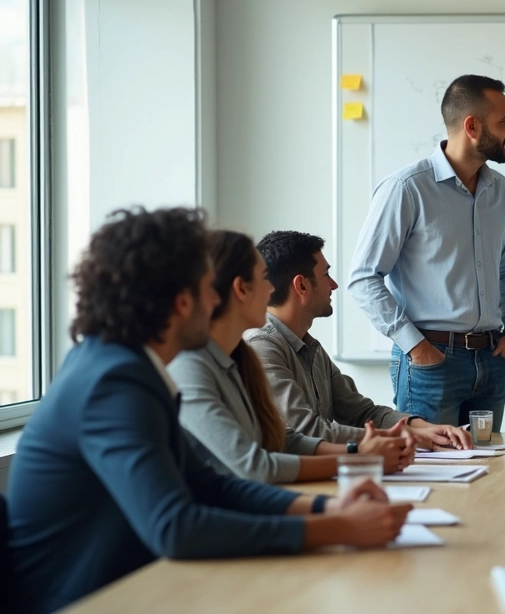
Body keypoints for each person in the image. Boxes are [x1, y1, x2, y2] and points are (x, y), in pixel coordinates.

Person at [6, 208, 412, 614]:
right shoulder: (114, 384)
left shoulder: (127, 367)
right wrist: (335, 528)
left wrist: (329, 507)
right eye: (207, 288)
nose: (217, 299)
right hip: (90, 599)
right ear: (182, 302)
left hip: (137, 584)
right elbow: (176, 528)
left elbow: (213, 485)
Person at [347, 74, 505, 430]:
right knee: (431, 476)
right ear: (472, 126)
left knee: (489, 476)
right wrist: (416, 347)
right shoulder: (407, 189)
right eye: (504, 120)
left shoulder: (501, 191)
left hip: (491, 359)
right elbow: (364, 278)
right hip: (431, 362)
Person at [170, 231, 416, 483]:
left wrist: (376, 445)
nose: (271, 289)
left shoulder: (239, 356)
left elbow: (281, 437)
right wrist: (361, 458)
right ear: (241, 289)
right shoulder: (194, 366)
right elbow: (255, 466)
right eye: (263, 278)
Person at [248, 231, 470, 450]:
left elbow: (363, 413)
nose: (333, 285)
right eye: (326, 274)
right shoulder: (262, 348)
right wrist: (405, 437)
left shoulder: (311, 347)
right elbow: (307, 431)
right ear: (302, 286)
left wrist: (425, 428)